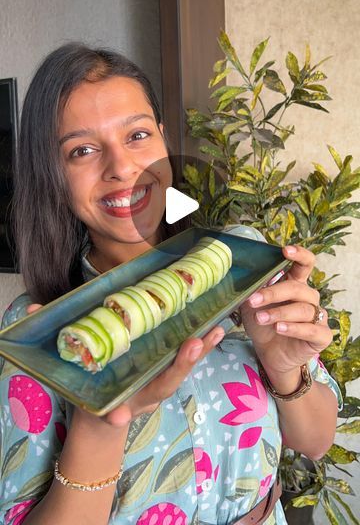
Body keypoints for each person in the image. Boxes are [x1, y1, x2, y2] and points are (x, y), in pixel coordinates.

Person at [0, 43, 341, 525]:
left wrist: (285, 369)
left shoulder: (245, 259)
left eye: (137, 135)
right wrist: (99, 428)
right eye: (82, 150)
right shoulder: (35, 333)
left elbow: (316, 442)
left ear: (162, 139)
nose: (121, 168)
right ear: (53, 174)